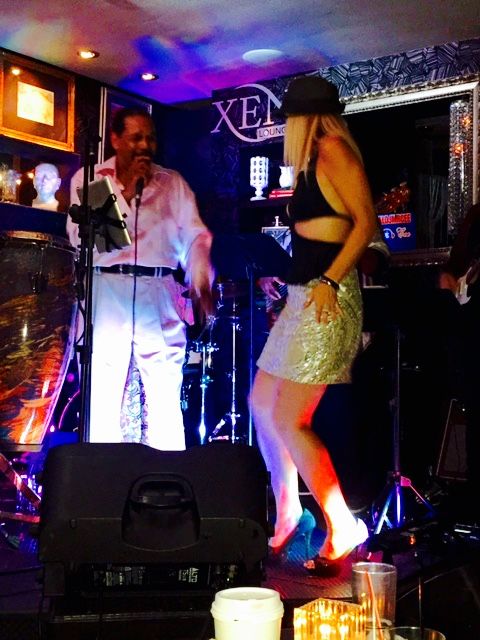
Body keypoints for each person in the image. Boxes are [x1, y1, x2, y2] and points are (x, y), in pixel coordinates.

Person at [250, 76, 377, 576]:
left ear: (303, 119)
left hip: (329, 296)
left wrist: (328, 278)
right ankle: (288, 511)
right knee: (262, 402)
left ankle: (342, 525)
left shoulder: (333, 150)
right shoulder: (311, 161)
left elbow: (367, 224)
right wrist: (292, 283)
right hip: (304, 295)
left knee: (290, 418)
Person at [67, 107, 214, 450]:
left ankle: (168, 474)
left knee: (165, 390)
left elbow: (197, 237)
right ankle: (105, 474)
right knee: (101, 389)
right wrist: (128, 193)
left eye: (150, 138)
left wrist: (200, 280)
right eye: (136, 138)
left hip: (159, 287)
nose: (145, 146)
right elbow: (93, 241)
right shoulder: (91, 179)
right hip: (106, 287)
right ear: (115, 139)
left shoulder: (172, 183)